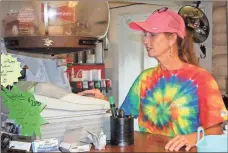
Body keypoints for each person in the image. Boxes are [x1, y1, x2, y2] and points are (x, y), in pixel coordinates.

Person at [77, 7, 227, 151]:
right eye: (145, 35)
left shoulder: (201, 79)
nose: (145, 41)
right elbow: (122, 115)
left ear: (172, 39)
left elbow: (216, 130)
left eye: (152, 35)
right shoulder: (145, 78)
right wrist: (103, 102)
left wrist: (193, 138)